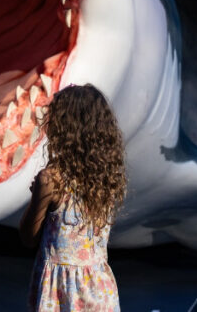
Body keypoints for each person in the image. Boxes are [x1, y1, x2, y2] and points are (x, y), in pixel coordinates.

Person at [19, 84, 126, 312]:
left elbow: (28, 237)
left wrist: (35, 198)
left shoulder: (51, 180)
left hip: (61, 294)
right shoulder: (106, 177)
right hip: (100, 289)